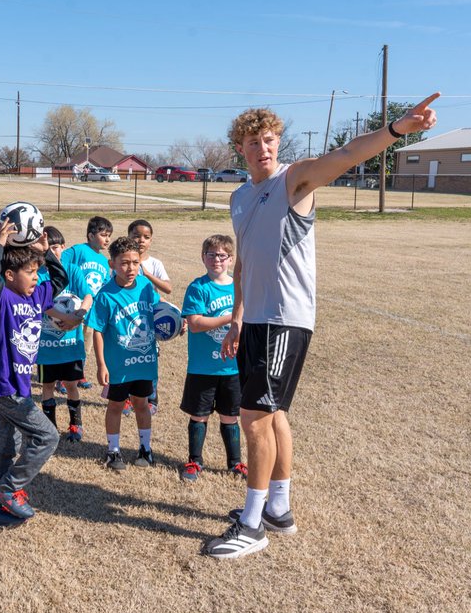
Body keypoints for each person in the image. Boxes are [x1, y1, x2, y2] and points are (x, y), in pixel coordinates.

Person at [201, 94, 440, 559]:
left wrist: (395, 131)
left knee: (253, 420)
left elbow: (346, 155)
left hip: (285, 319)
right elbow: (245, 263)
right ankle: (279, 510)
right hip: (255, 321)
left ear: (278, 142)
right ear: (240, 148)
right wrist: (235, 317)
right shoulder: (239, 195)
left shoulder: (295, 179)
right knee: (275, 416)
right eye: (253, 142)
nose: (263, 148)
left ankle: (251, 525)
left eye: (269, 139)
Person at [0, 219, 76, 527]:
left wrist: (45, 253)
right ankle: (9, 489)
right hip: (3, 383)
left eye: (37, 273)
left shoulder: (37, 296)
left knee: (4, 447)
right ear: (10, 275)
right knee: (48, 436)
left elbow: (60, 279)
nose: (36, 278)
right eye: (30, 273)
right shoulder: (1, 299)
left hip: (18, 384)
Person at [87, 236, 161, 471]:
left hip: (144, 361)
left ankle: (145, 449)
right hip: (118, 364)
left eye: (135, 262)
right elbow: (97, 330)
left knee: (142, 404)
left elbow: (160, 313)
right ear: (112, 264)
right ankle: (113, 451)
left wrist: (176, 322)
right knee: (116, 405)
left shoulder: (147, 287)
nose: (131, 268)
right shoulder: (105, 294)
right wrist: (101, 364)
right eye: (124, 263)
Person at [180, 234, 245, 481]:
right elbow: (195, 323)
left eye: (221, 255)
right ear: (203, 257)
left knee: (231, 416)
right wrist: (232, 318)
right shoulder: (198, 287)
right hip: (203, 366)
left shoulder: (239, 288)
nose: (216, 259)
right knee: (199, 415)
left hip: (233, 368)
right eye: (211, 254)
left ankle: (235, 463)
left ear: (231, 259)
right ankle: (194, 461)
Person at [37, 226, 91, 440]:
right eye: (48, 248)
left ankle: (75, 424)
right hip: (46, 345)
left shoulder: (73, 270)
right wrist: (67, 318)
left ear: (64, 248)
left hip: (70, 344)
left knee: (71, 385)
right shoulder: (38, 273)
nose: (53, 251)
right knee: (47, 385)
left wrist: (79, 315)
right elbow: (41, 304)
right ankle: (49, 428)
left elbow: (88, 296)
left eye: (57, 247)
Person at [60, 215, 114, 390]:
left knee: (86, 345)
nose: (107, 239)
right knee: (71, 341)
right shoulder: (78, 250)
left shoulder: (104, 262)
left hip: (92, 311)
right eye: (103, 235)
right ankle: (63, 377)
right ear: (90, 236)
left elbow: (104, 284)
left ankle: (79, 374)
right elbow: (60, 263)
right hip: (74, 306)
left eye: (109, 236)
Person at [128, 218, 171, 416]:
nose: (141, 240)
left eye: (146, 237)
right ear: (129, 237)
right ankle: (128, 398)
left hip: (150, 320)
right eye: (136, 235)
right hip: (127, 318)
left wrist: (146, 274)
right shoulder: (124, 262)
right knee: (128, 357)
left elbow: (168, 288)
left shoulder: (155, 263)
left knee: (150, 357)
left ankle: (151, 398)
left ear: (151, 241)